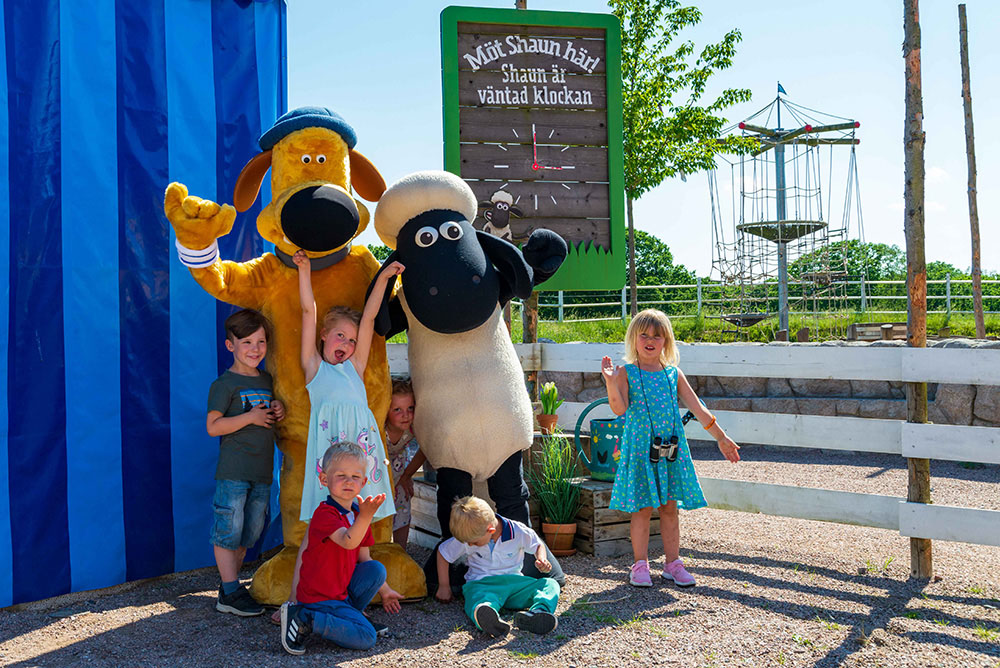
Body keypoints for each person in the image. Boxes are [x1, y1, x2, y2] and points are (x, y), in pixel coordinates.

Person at [601, 309, 740, 588]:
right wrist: (610, 381)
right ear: (634, 339)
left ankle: (672, 563)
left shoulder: (673, 374)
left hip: (669, 452)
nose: (650, 340)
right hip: (641, 452)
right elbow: (619, 409)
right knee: (641, 509)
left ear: (666, 341)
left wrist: (721, 437)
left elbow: (698, 408)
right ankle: (640, 565)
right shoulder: (626, 373)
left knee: (669, 508)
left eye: (657, 335)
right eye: (644, 335)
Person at [294, 249, 403, 523]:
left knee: (361, 508)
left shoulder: (355, 367)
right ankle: (322, 560)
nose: (346, 344)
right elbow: (309, 311)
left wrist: (384, 277)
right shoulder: (314, 367)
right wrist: (304, 270)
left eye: (351, 340)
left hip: (359, 447)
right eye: (340, 336)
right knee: (328, 515)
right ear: (324, 335)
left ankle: (361, 558)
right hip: (330, 450)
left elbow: (368, 317)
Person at [280, 441, 404, 655]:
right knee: (367, 637)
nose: (349, 481)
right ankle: (306, 619)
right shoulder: (325, 514)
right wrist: (365, 517)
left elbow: (364, 558)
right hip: (318, 597)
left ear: (364, 481)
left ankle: (350, 620)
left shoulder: (358, 514)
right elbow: (347, 540)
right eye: (341, 476)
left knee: (376, 569)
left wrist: (385, 590)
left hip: (340, 594)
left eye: (355, 477)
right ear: (324, 479)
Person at [206, 308, 286, 616]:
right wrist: (249, 416)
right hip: (234, 471)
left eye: (261, 342)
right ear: (231, 346)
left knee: (251, 531)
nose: (255, 349)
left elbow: (269, 415)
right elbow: (213, 426)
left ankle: (231, 586)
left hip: (262, 472)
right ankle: (229, 591)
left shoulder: (267, 379)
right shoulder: (224, 385)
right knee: (229, 528)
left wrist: (276, 408)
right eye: (247, 342)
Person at [435, 496, 560, 638]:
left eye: (474, 543)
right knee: (477, 597)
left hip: (515, 584)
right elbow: (443, 553)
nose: (469, 545)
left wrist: (541, 558)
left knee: (550, 584)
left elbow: (537, 545)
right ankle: (486, 616)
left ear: (490, 530)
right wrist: (444, 586)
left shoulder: (517, 531)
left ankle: (537, 613)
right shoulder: (470, 535)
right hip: (482, 584)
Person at [384, 377, 426, 547]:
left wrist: (407, 475)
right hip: (380, 471)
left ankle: (402, 550)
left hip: (400, 469)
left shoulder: (413, 426)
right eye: (397, 410)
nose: (405, 415)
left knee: (403, 502)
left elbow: (426, 448)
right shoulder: (380, 428)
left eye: (410, 408)